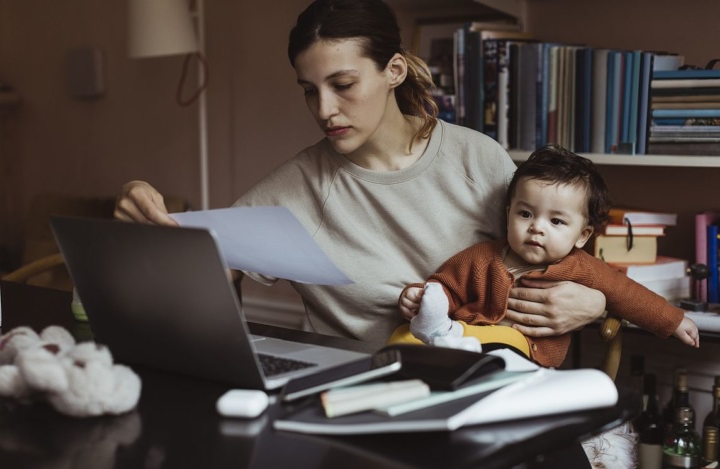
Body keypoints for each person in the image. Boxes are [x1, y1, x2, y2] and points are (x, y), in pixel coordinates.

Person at [114, 0, 607, 347]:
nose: (325, 109)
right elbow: (208, 271)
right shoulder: (298, 186)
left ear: (394, 70)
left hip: (488, 385)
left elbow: (552, 256)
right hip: (357, 396)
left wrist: (595, 303)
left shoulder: (477, 158)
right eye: (309, 90)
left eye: (343, 84)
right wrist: (144, 216)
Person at [394, 145, 699, 367]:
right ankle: (436, 345)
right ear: (508, 214)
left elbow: (628, 294)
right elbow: (445, 286)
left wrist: (673, 321)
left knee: (505, 343)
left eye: (556, 221)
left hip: (527, 353)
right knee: (401, 337)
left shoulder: (583, 268)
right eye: (525, 214)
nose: (536, 228)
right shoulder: (481, 257)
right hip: (463, 338)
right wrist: (421, 298)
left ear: (582, 235)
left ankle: (453, 349)